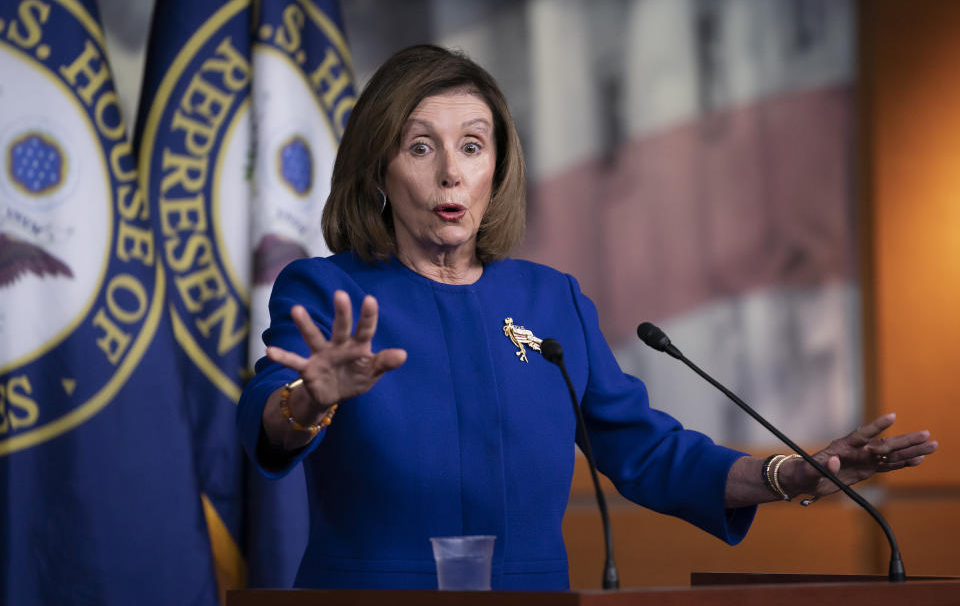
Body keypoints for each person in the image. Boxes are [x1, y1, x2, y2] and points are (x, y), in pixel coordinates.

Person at [237, 44, 937, 590]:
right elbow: (267, 412)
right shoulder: (330, 290)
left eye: (472, 145)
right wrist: (309, 400)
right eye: (421, 146)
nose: (450, 171)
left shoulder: (551, 301)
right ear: (378, 168)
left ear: (496, 168)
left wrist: (790, 475)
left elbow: (646, 451)